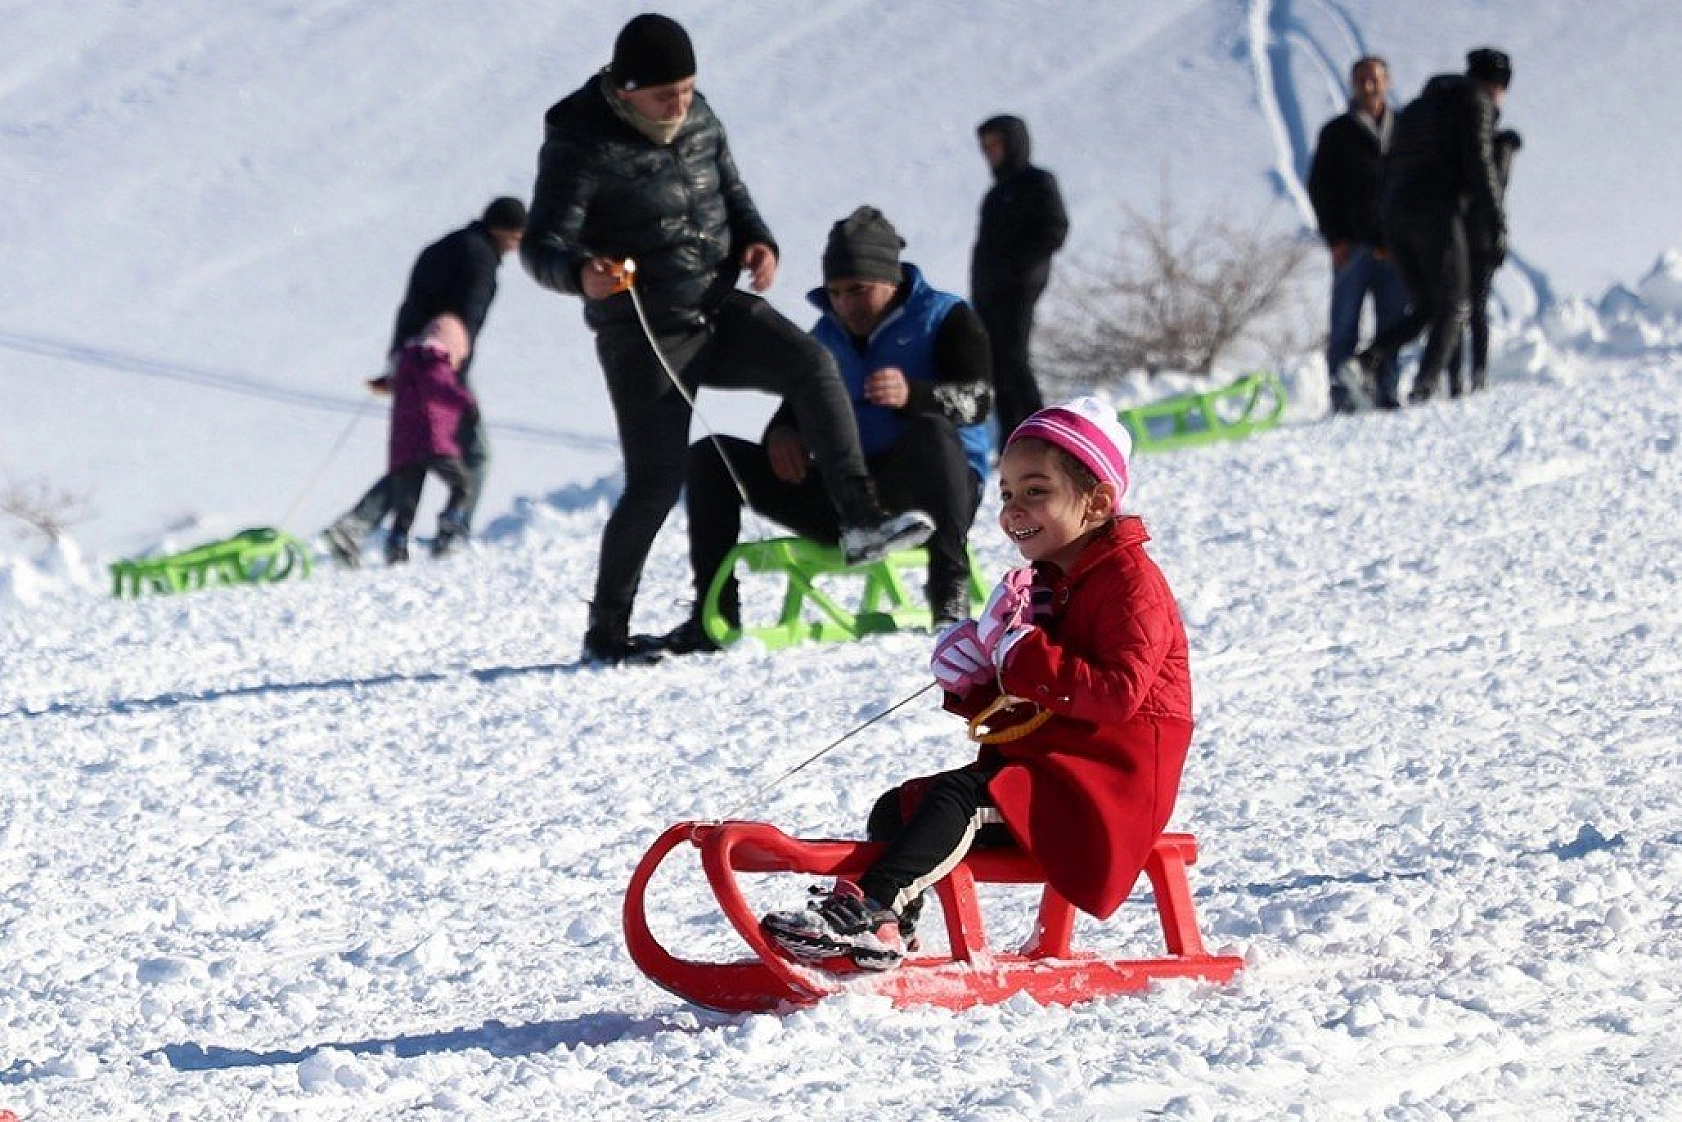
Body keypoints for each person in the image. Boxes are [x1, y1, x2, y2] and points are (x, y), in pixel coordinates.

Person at [521, 13, 932, 665]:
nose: (679, 104)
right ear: (625, 91)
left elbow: (732, 195)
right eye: (664, 95)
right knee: (654, 483)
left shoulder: (699, 115)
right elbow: (543, 244)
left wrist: (758, 242)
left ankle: (860, 518)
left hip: (716, 304)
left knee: (812, 362)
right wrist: (580, 274)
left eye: (687, 88)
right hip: (644, 332)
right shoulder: (579, 139)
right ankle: (605, 632)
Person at [761, 397, 1194, 971]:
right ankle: (887, 937)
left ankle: (873, 907)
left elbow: (1114, 696)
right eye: (1008, 494)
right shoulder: (1051, 583)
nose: (1014, 509)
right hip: (1054, 770)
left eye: (1036, 490)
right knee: (898, 809)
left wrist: (1019, 652)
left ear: (1097, 503)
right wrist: (974, 680)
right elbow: (1033, 706)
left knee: (957, 799)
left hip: (1107, 790)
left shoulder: (1131, 584)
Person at [663, 207, 993, 654]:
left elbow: (979, 401)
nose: (845, 305)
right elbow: (795, 409)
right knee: (711, 455)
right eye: (835, 294)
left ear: (891, 280)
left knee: (930, 431)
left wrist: (915, 395)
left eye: (858, 290)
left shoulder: (946, 317)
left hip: (933, 492)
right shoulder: (826, 336)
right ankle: (715, 615)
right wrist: (782, 434)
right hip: (851, 503)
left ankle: (949, 596)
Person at [324, 196, 526, 561]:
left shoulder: (444, 247)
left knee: (413, 455)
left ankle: (355, 526)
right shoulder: (479, 258)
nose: (517, 246)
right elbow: (467, 318)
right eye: (517, 237)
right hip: (440, 368)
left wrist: (396, 363)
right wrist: (457, 382)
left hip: (410, 360)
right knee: (475, 454)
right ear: (505, 231)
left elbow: (411, 307)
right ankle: (454, 534)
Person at [1344, 48, 1513, 405]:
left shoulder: (1418, 107)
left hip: (1395, 216)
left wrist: (1380, 225)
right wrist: (1496, 224)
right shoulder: (1476, 102)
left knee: (1427, 308)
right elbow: (1479, 163)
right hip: (1434, 211)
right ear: (1497, 86)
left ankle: (1364, 363)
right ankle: (1424, 389)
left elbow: (1391, 165)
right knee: (1454, 305)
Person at [324, 315, 478, 566]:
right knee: (463, 484)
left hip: (404, 446)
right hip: (433, 441)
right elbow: (441, 386)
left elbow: (397, 383)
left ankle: (396, 547)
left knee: (408, 501)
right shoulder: (435, 360)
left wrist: (383, 384)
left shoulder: (407, 361)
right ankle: (449, 532)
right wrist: (467, 402)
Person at [1308, 56, 1410, 412]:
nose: (1369, 86)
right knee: (1344, 327)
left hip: (1396, 249)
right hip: (1353, 248)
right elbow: (1320, 189)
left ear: (1388, 82)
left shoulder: (1404, 129)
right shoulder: (1337, 132)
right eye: (1362, 79)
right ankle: (1342, 397)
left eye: (1375, 79)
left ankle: (1387, 392)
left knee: (1392, 327)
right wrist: (1335, 239)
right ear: (1352, 84)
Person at [971, 115, 1070, 438]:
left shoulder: (1037, 182)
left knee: (1014, 361)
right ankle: (1013, 440)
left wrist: (1017, 267)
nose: (990, 152)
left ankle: (1041, 434)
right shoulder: (994, 196)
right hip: (989, 295)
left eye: (996, 144)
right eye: (985, 147)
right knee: (996, 368)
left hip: (1018, 290)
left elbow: (1054, 229)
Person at [1446, 127, 1522, 396]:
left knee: (1473, 309)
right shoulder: (1467, 148)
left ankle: (1476, 373)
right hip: (1464, 238)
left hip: (1480, 240)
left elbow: (1496, 192)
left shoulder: (1494, 148)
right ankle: (1457, 376)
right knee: (1460, 310)